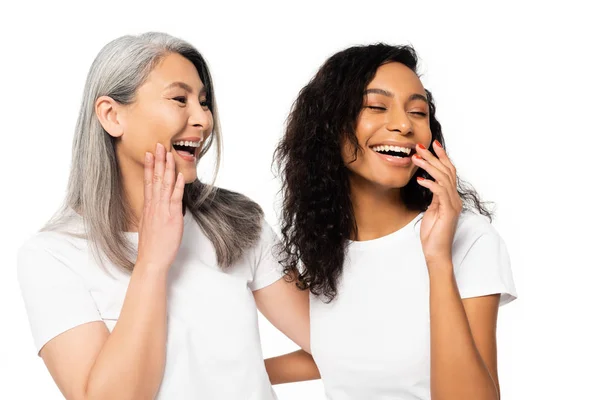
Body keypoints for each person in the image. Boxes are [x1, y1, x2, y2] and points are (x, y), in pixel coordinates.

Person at [17, 32, 309, 400]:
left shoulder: (238, 225)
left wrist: (247, 369)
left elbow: (342, 347)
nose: (203, 119)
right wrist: (152, 263)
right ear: (111, 115)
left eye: (204, 102)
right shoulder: (52, 255)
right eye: (179, 99)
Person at [269, 43, 517, 399]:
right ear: (330, 127)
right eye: (376, 107)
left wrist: (438, 259)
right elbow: (356, 354)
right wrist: (237, 373)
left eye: (418, 112)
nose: (403, 124)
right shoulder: (326, 245)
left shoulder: (469, 238)